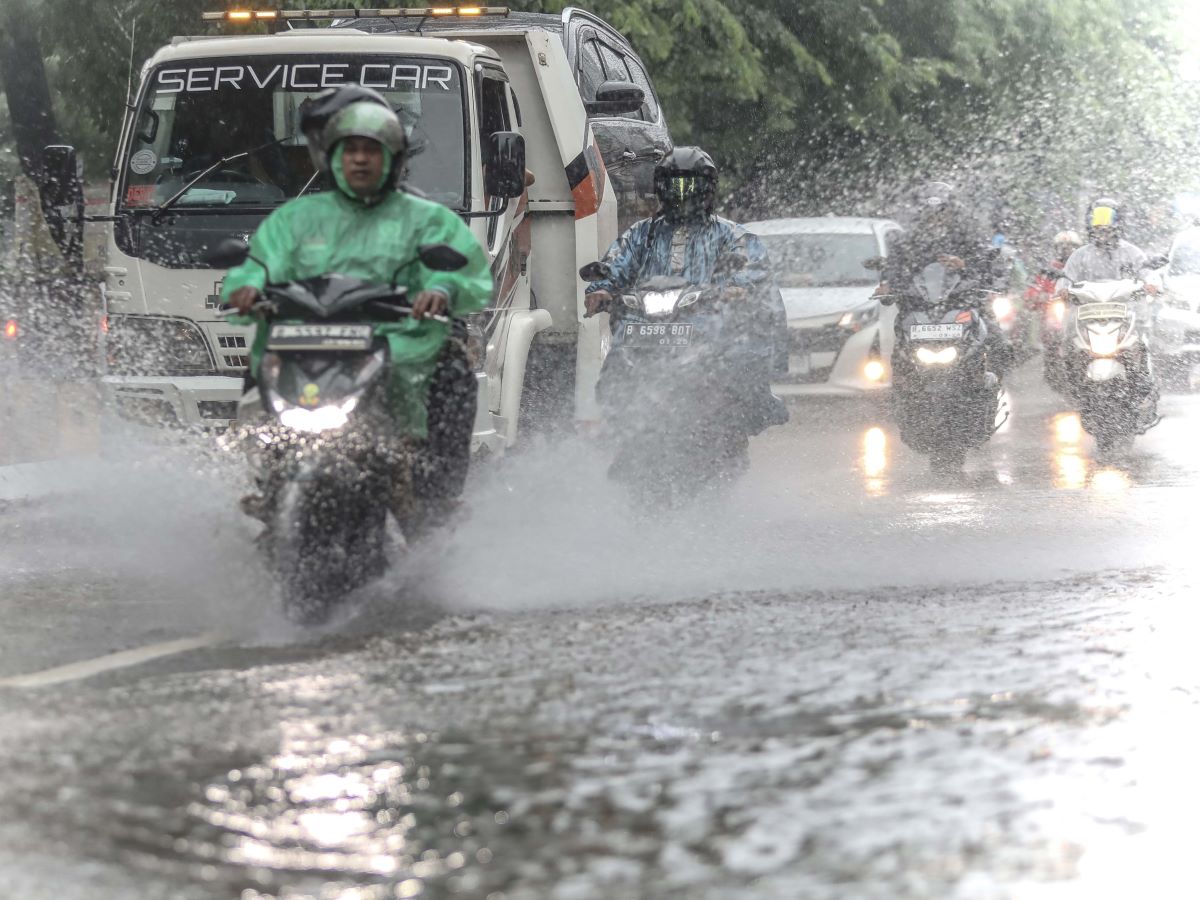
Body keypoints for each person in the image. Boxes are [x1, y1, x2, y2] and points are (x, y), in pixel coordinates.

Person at [222, 84, 493, 535]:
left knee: (451, 372)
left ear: (394, 157)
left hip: (398, 350)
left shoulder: (426, 218)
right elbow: (259, 263)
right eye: (351, 150)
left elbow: (466, 271)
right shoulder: (297, 218)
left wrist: (440, 290)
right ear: (332, 156)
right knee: (258, 374)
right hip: (306, 346)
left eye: (372, 150)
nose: (361, 160)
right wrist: (247, 287)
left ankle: (435, 496)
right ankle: (270, 478)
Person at [583, 146, 788, 433]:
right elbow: (618, 261)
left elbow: (751, 267)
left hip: (709, 324)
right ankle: (619, 424)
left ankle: (742, 412)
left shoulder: (732, 234)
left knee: (740, 361)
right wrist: (602, 288)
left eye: (690, 184)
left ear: (708, 188)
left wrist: (736, 288)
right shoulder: (642, 233)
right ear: (659, 187)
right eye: (673, 184)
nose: (682, 193)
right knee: (616, 363)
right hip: (645, 323)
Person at [879, 180, 1013, 378]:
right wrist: (888, 284)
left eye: (941, 210)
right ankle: (904, 384)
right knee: (900, 343)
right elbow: (895, 266)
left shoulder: (967, 235)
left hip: (961, 301)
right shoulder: (909, 240)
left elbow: (987, 263)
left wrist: (964, 264)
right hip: (919, 306)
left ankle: (990, 382)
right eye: (929, 210)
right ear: (922, 211)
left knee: (995, 336)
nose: (935, 216)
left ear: (951, 210)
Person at [1057, 198, 1160, 292]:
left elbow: (1146, 271)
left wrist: (1151, 283)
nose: (1102, 227)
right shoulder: (1080, 255)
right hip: (1088, 309)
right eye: (1097, 219)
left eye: (1107, 219)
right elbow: (1066, 276)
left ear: (1118, 222)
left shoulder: (1131, 253)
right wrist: (1063, 289)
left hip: (1125, 308)